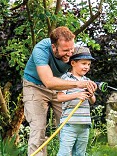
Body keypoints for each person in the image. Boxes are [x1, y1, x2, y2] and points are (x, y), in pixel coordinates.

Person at [22, 26, 97, 156]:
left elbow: (82, 66)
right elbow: (49, 82)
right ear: (53, 47)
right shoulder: (41, 50)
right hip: (35, 86)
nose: (70, 53)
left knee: (68, 127)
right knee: (38, 129)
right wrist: (78, 84)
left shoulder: (73, 50)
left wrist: (88, 84)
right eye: (65, 50)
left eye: (71, 49)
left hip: (63, 85)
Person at [56, 46, 96, 156]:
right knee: (64, 153)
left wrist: (91, 94)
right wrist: (77, 95)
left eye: (88, 64)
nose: (86, 67)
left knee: (80, 154)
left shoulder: (87, 81)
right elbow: (59, 98)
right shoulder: (66, 79)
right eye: (83, 63)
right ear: (73, 63)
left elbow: (93, 101)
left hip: (84, 124)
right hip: (69, 124)